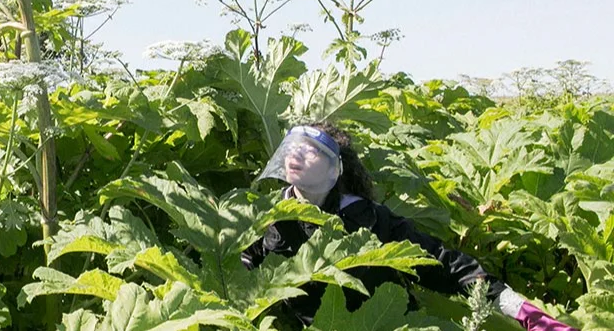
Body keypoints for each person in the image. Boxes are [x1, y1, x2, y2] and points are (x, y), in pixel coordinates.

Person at [240, 123, 576, 330]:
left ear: (334, 170)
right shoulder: (266, 218)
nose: (297, 156)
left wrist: (515, 305)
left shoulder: (369, 218)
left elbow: (439, 262)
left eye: (312, 151)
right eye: (294, 148)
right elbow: (239, 275)